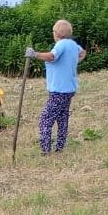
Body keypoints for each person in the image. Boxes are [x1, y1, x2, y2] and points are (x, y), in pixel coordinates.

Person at [26, 19, 86, 154]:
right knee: (62, 118)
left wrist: (34, 54)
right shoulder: (72, 44)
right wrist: (72, 62)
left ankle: (46, 150)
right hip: (69, 89)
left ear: (57, 33)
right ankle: (60, 147)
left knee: (45, 119)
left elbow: (52, 57)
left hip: (59, 90)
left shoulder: (61, 45)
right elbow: (82, 53)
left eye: (53, 31)